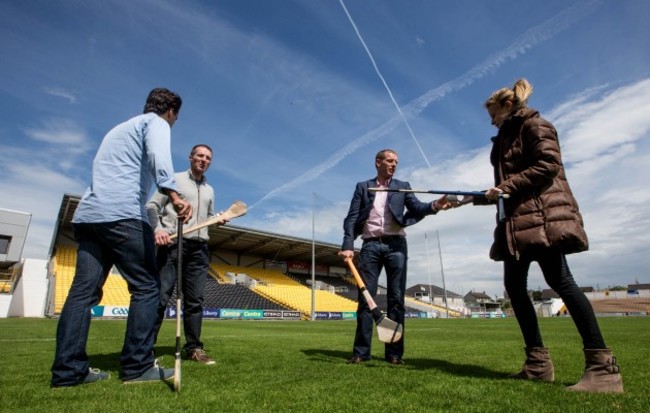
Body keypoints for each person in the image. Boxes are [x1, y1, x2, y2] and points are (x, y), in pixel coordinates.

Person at [460, 78, 623, 393]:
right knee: (514, 288)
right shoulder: (506, 138)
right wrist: (472, 197)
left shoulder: (536, 126)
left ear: (508, 106)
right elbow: (505, 185)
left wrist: (504, 188)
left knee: (562, 283)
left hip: (541, 219)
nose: (491, 121)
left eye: (493, 114)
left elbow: (549, 165)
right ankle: (537, 365)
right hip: (516, 223)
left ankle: (603, 369)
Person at [51, 88, 192, 387]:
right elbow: (158, 156)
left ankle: (67, 372)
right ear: (170, 111)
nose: (173, 122)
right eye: (175, 117)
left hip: (89, 216)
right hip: (123, 214)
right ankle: (137, 366)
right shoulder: (155, 123)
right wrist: (175, 196)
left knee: (82, 293)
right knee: (147, 287)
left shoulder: (118, 129)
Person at [339, 149, 455, 365]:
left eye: (396, 162)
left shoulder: (403, 186)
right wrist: (348, 245)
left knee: (396, 300)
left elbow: (417, 208)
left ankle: (394, 354)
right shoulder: (363, 187)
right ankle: (361, 352)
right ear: (378, 162)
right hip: (370, 246)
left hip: (397, 246)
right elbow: (351, 218)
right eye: (390, 161)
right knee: (366, 301)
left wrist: (436, 205)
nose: (394, 165)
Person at [147, 144, 223, 365]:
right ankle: (144, 348)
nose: (203, 160)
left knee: (195, 301)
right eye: (200, 155)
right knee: (160, 298)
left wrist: (217, 221)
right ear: (191, 157)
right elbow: (151, 206)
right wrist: (157, 229)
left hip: (199, 249)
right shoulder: (174, 180)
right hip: (173, 244)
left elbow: (207, 222)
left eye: (208, 157)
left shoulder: (210, 190)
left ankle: (194, 349)